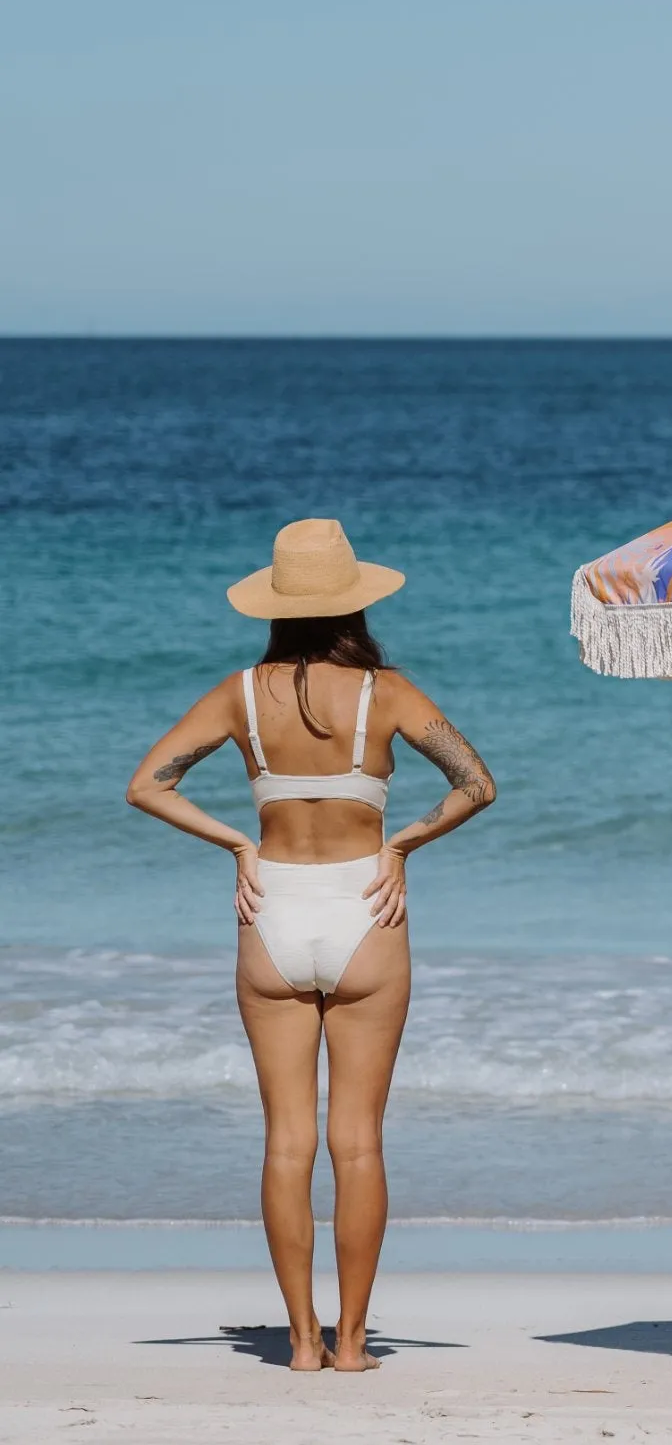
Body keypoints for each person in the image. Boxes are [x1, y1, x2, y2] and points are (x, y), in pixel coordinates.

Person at [125, 519, 495, 1371]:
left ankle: (299, 1341)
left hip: (271, 914)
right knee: (357, 1142)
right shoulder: (388, 693)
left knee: (286, 1140)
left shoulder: (238, 694)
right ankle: (355, 1342)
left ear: (276, 605)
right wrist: (401, 844)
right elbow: (478, 784)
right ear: (354, 603)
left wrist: (236, 843)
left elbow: (147, 785)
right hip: (370, 911)